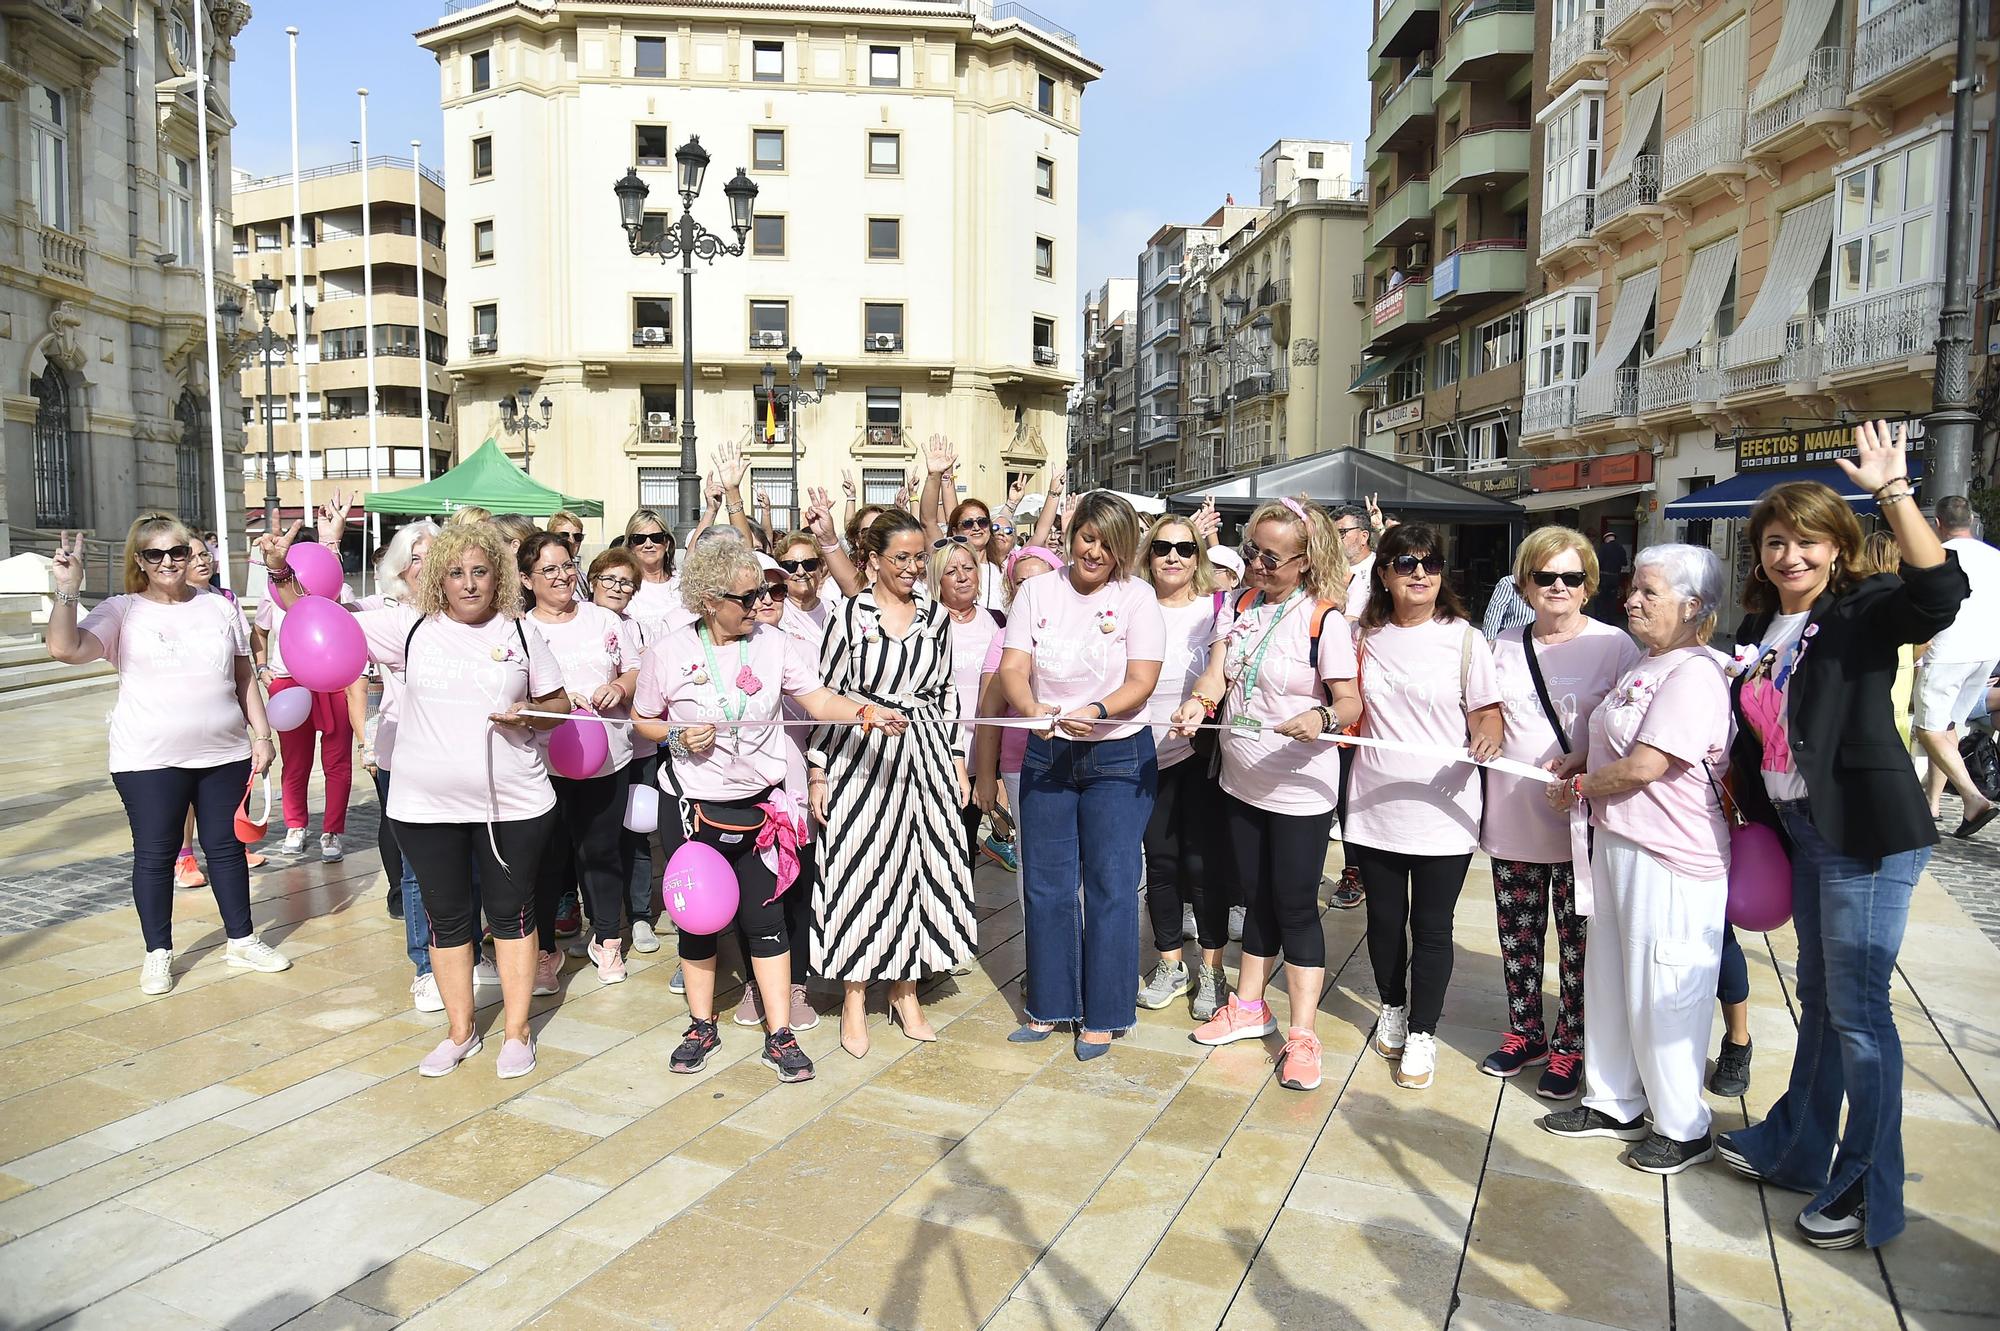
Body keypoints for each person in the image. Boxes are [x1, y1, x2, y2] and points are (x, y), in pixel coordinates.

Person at [1715, 422, 1970, 1248]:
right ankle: (1795, 1146)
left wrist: (1894, 491)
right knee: (1823, 1004)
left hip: (1867, 836)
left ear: (1837, 546)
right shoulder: (1759, 633)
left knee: (1861, 1014)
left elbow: (1937, 595)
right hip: (1806, 832)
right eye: (1776, 541)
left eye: (1808, 540)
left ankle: (1867, 1187)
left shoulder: (1857, 610)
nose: (1791, 555)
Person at [266, 519, 569, 1079]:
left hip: (512, 805)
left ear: (498, 576)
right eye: (456, 573)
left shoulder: (521, 632)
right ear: (438, 579)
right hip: (423, 808)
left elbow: (558, 707)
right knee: (446, 919)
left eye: (480, 572)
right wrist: (283, 570)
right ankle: (460, 1033)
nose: (470, 583)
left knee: (512, 916)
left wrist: (527, 714)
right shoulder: (408, 626)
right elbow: (313, 613)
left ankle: (517, 1032)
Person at [635, 540, 904, 1084]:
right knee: (697, 923)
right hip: (693, 809)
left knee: (767, 922)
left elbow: (818, 699)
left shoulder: (775, 644)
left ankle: (778, 1034)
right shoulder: (667, 651)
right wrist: (679, 737)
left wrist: (866, 712)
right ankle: (699, 1025)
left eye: (762, 593)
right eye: (748, 595)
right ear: (710, 599)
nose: (759, 604)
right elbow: (644, 721)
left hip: (761, 808)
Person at [1539, 542, 1731, 1175]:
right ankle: (1612, 1099)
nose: (1633, 600)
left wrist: (1582, 787)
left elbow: (1647, 766)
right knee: (1613, 978)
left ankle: (1683, 1124)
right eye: (1635, 589)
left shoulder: (1694, 673)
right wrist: (1580, 761)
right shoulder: (1649, 662)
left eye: (1651, 592)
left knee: (1665, 988)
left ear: (1693, 607)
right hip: (1618, 841)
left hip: (1670, 856)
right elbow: (1612, 740)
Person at [45, 518, 289, 995]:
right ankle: (158, 952)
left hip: (224, 752)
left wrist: (262, 734)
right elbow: (64, 648)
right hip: (147, 759)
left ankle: (241, 939)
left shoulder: (219, 608)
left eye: (177, 551)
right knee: (155, 856)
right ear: (139, 560)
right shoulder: (123, 611)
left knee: (225, 850)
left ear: (190, 551)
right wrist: (67, 591)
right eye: (154, 555)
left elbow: (243, 676)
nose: (168, 562)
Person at [1173, 499, 1361, 1090]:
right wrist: (1197, 704)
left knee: (1296, 905)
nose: (1256, 564)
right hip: (1241, 780)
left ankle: (1303, 1035)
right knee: (1254, 897)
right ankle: (1250, 1008)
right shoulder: (1242, 606)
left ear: (1305, 562)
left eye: (1271, 558)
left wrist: (1323, 716)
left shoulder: (1324, 620)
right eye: (1251, 551)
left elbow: (1351, 701)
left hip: (1300, 789)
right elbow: (1217, 675)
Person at [998, 492, 1166, 1060]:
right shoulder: (1036, 592)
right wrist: (1030, 711)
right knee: (1045, 883)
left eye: (1107, 542)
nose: (1094, 551)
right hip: (1049, 752)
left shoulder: (1138, 597)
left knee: (1112, 884)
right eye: (1086, 537)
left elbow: (1142, 679)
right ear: (1071, 537)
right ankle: (1049, 1004)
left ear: (1123, 548)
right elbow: (1013, 667)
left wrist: (1095, 712)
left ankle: (1106, 1012)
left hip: (1118, 756)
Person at [1478, 527, 1641, 1099]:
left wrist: (1586, 762)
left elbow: (1635, 728)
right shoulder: (1498, 648)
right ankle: (1527, 1030)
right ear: (1523, 583)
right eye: (1545, 577)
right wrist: (1487, 725)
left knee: (1579, 940)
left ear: (1588, 585)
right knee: (1518, 933)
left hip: (1583, 823)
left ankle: (1571, 1042)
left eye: (1571, 578)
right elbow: (1481, 711)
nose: (1558, 587)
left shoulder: (1616, 646)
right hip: (1514, 814)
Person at [1341, 522, 1502, 1091]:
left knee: (1432, 926)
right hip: (1376, 803)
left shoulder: (1465, 639)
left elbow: (1487, 710)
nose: (1419, 574)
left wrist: (1487, 735)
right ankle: (1392, 1005)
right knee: (1384, 920)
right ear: (1383, 573)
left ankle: (1423, 1032)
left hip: (1445, 808)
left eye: (1430, 564)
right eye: (1406, 563)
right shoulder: (1362, 636)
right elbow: (1341, 701)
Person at [810, 510, 975, 1057]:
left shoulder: (935, 616)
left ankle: (906, 992)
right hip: (861, 758)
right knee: (859, 873)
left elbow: (947, 692)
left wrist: (955, 762)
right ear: (874, 560)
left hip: (924, 755)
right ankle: (854, 996)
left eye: (917, 557)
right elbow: (827, 698)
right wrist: (817, 768)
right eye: (900, 557)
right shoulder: (848, 615)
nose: (911, 567)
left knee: (918, 875)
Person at [354, 519, 498, 1013]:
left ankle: (468, 953)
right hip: (405, 758)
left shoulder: (471, 618)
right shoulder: (391, 615)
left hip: (467, 762)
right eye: (420, 557)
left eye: (442, 557)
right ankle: (425, 966)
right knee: (421, 874)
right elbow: (321, 622)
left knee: (474, 866)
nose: (433, 566)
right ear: (401, 568)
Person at [521, 533, 642, 988]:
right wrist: (554, 703)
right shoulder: (520, 628)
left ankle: (607, 938)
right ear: (527, 579)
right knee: (548, 857)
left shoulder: (605, 619)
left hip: (607, 756)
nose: (562, 576)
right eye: (548, 570)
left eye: (567, 565)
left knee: (601, 850)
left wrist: (620, 688)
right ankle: (546, 952)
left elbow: (634, 668)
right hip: (543, 763)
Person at [1133, 516, 1235, 1019]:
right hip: (1139, 752)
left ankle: (1213, 969)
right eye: (1162, 548)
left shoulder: (1215, 608)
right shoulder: (1131, 602)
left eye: (1185, 549)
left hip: (1197, 753)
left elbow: (1222, 673)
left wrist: (1200, 705)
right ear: (1147, 555)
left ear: (1199, 557)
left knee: (1203, 864)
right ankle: (1170, 962)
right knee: (1162, 861)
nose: (1173, 557)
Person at [253, 516, 354, 863]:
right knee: (295, 763)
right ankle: (296, 825)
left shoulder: (340, 591)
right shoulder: (272, 594)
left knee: (337, 761)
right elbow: (260, 632)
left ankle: (332, 830)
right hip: (288, 683)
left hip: (333, 681)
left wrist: (332, 543)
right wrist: (263, 667)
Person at [584, 546, 667, 956]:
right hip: (586, 752)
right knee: (593, 839)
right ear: (593, 582)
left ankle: (639, 916)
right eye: (609, 580)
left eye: (626, 583)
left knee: (636, 834)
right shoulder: (581, 624)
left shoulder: (639, 630)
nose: (617, 588)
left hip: (638, 749)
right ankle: (601, 923)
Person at [972, 545, 1065, 881]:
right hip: (1020, 761)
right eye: (1022, 582)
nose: (1032, 590)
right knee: (1033, 858)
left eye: (1041, 581)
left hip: (1074, 755)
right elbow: (989, 713)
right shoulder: (1002, 638)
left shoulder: (1077, 629)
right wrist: (986, 776)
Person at [173, 532, 261, 886]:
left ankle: (236, 843)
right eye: (192, 556)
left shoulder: (225, 598)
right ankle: (185, 857)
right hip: (185, 716)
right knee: (188, 793)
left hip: (226, 709)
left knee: (233, 782)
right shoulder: (172, 606)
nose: (202, 560)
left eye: (205, 553)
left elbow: (242, 656)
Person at [1912, 494, 2000, 836]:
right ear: (1972, 522)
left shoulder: (1940, 556)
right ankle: (1932, 805)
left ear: (1937, 524)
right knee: (1946, 726)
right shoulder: (1994, 557)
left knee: (1928, 729)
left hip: (1947, 649)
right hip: (1987, 651)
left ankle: (1973, 798)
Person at [931, 539, 1005, 870]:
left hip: (982, 755)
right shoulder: (926, 624)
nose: (962, 576)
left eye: (968, 567)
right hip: (939, 754)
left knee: (965, 843)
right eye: (951, 571)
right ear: (937, 580)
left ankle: (962, 917)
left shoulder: (996, 622)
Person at [1325, 505, 1379, 906]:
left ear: (1362, 534)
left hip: (1371, 689)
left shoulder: (1381, 573)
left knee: (1361, 790)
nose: (1337, 538)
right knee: (1338, 787)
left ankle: (1359, 870)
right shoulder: (1325, 572)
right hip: (1332, 689)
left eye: (1342, 531)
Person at [622, 508, 684, 642]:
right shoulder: (623, 587)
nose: (648, 545)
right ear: (630, 547)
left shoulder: (683, 584)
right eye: (639, 539)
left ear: (667, 543)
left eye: (656, 538)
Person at [1589, 529, 1632, 624]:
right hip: (1615, 578)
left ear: (1606, 539)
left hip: (1603, 577)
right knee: (1612, 600)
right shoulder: (1620, 548)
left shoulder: (1604, 547)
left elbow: (1598, 562)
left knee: (1600, 599)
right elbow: (1625, 562)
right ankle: (1610, 620)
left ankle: (1600, 620)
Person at [1481, 573, 1535, 642]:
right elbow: (1494, 615)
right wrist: (1489, 641)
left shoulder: (1546, 586)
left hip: (1538, 645)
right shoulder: (1509, 583)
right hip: (1509, 643)